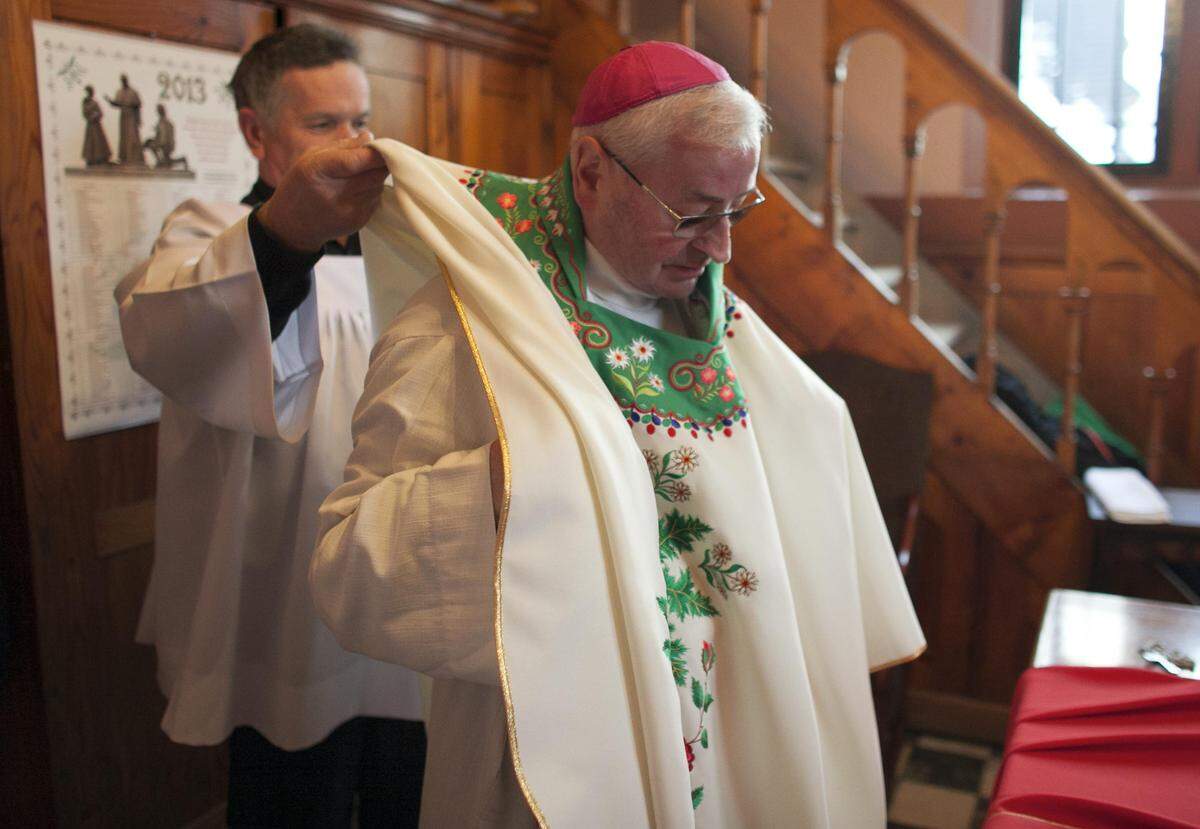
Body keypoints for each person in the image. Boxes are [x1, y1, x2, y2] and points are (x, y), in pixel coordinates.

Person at [312, 42, 925, 826]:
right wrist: (514, 482)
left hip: (733, 752)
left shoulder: (723, 324)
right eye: (693, 212)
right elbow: (347, 563)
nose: (720, 248)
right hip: (552, 764)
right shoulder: (465, 323)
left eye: (737, 210)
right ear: (591, 169)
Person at [115, 24, 425, 828]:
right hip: (284, 596)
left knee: (410, 792)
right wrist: (287, 234)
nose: (354, 144)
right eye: (324, 125)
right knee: (295, 800)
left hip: (407, 590)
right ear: (258, 131)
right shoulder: (203, 235)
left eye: (361, 120)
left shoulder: (408, 251)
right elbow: (170, 330)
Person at [106, 74, 144, 165]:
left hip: (132, 117)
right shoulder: (119, 92)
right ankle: (124, 158)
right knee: (124, 137)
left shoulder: (133, 92)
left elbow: (138, 104)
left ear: (127, 80)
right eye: (122, 80)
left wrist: (138, 118)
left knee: (133, 137)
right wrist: (110, 101)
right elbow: (117, 103)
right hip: (123, 117)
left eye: (125, 80)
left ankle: (135, 158)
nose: (123, 82)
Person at [143, 104, 186, 170]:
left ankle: (181, 160)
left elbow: (164, 137)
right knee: (167, 160)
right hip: (168, 143)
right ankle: (161, 162)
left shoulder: (163, 122)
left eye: (158, 111)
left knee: (151, 145)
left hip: (166, 144)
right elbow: (162, 133)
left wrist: (158, 144)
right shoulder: (165, 121)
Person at [81, 85, 112, 166]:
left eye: (90, 92)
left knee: (98, 141)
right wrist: (89, 117)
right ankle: (90, 159)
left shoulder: (95, 103)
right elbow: (84, 113)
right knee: (90, 142)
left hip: (96, 125)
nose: (89, 94)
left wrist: (94, 116)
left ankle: (100, 159)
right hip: (90, 125)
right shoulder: (84, 102)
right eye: (87, 92)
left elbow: (100, 113)